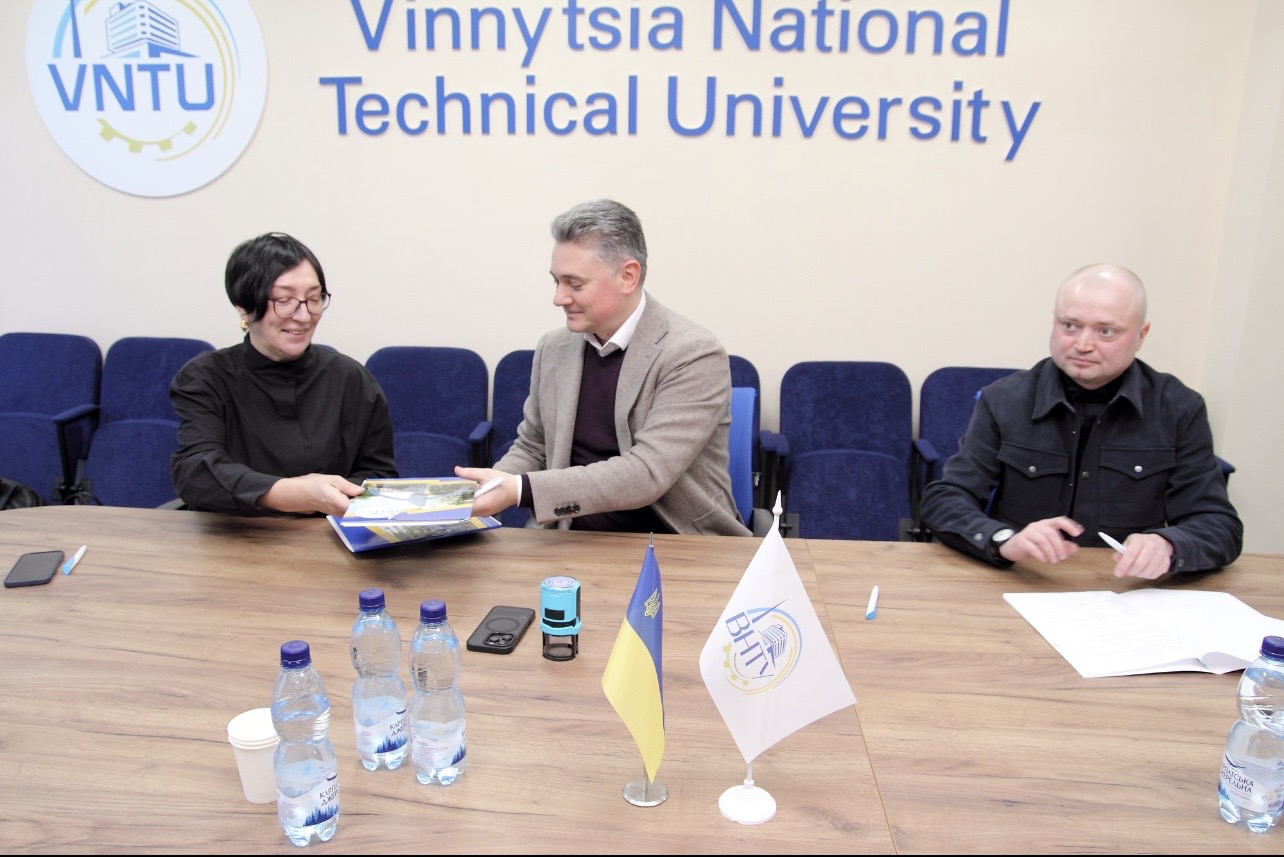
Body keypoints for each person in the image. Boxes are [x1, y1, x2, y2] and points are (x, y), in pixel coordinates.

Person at [919, 263, 1242, 578]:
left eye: (1106, 331)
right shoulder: (1004, 400)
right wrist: (1003, 540)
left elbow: (1219, 525)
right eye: (1070, 326)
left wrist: (1168, 545)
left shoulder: (1179, 408)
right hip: (1024, 579)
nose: (1083, 345)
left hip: (1126, 587)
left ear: (1141, 335)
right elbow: (945, 499)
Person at [456, 199, 749, 536]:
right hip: (570, 541)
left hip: (676, 544)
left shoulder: (693, 353)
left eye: (575, 284)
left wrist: (521, 490)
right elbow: (533, 447)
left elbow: (646, 473)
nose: (559, 298)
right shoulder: (554, 348)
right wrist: (491, 487)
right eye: (556, 282)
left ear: (628, 276)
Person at [169, 232, 397, 516]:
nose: (304, 316)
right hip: (233, 533)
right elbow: (196, 472)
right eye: (284, 299)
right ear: (244, 307)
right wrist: (292, 494)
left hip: (325, 534)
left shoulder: (351, 379)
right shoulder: (206, 377)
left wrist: (329, 499)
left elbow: (379, 478)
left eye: (314, 298)